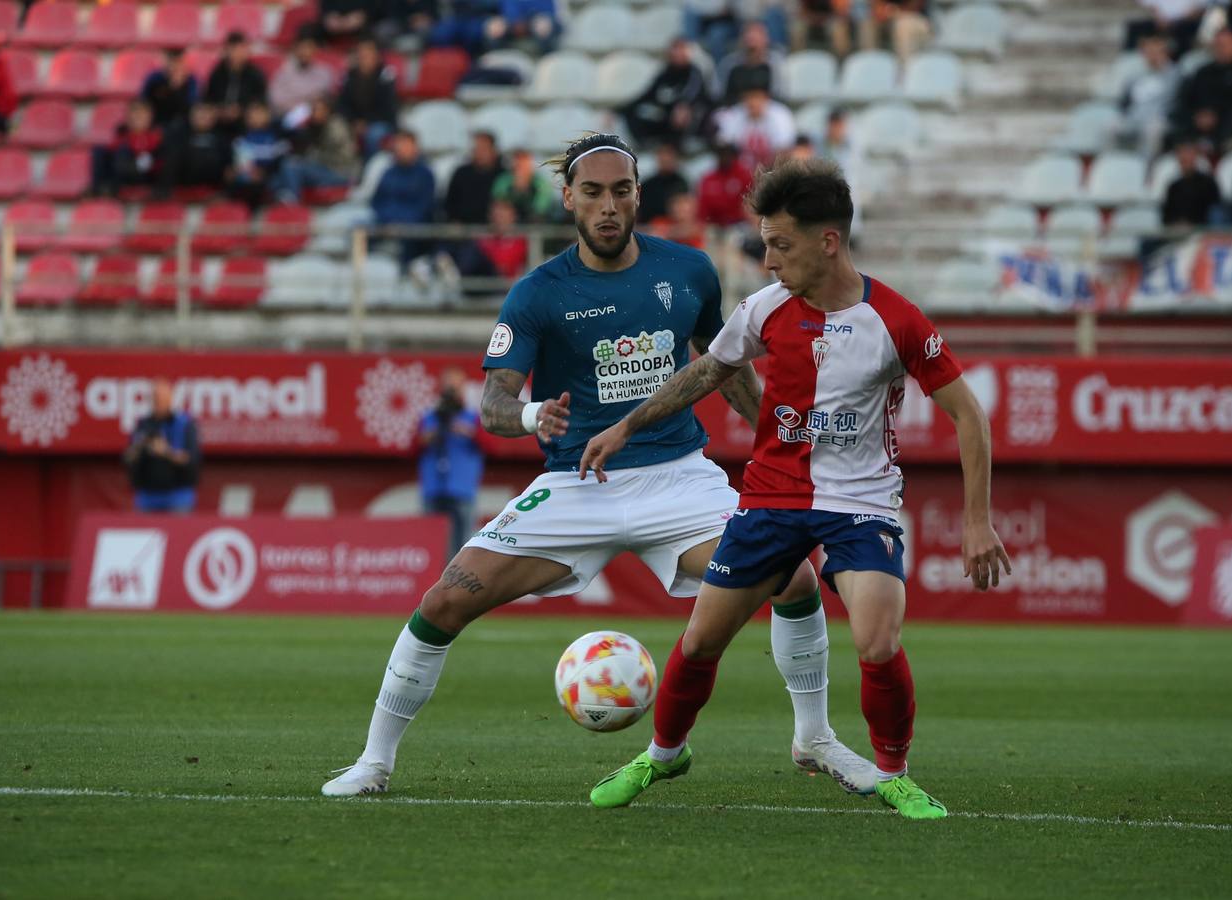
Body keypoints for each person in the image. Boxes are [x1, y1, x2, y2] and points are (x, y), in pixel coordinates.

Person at [321, 133, 875, 799]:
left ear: (638, 196)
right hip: (575, 484)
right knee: (444, 600)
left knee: (791, 575)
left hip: (677, 478)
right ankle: (374, 762)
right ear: (568, 200)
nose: (607, 206)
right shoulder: (537, 293)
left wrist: (771, 442)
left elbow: (719, 362)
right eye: (592, 193)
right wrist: (530, 417)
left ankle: (811, 736)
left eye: (620, 191)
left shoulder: (689, 271)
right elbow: (494, 401)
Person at [582, 157, 1008, 817]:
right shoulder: (763, 309)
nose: (768, 260)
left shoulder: (896, 320)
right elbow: (704, 374)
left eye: (780, 244)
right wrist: (625, 426)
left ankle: (891, 771)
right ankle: (663, 755)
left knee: (876, 640)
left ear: (826, 242)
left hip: (859, 506)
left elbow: (968, 415)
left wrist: (976, 521)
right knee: (699, 641)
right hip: (770, 501)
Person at [417, 367, 485, 561]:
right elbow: (412, 447)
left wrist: (469, 432)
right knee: (432, 546)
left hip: (462, 491)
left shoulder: (472, 418)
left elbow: (492, 445)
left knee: (463, 547)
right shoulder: (429, 417)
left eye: (455, 388)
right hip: (433, 490)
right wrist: (429, 436)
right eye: (448, 388)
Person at [124, 378, 202, 514]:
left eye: (161, 398)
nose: (158, 402)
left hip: (178, 495)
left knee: (179, 532)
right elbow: (128, 458)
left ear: (170, 399)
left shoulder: (184, 424)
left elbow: (191, 459)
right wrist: (140, 445)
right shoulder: (143, 424)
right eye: (155, 398)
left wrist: (165, 452)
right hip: (147, 495)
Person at [1169, 28, 1232, 152]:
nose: (1220, 48)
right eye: (1218, 45)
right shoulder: (1203, 72)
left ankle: (1215, 146)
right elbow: (1187, 98)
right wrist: (1196, 116)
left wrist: (1215, 115)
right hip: (1198, 121)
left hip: (1225, 122)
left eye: (1225, 45)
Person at [371, 129, 440, 278]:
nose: (402, 149)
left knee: (413, 237)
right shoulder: (388, 173)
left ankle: (405, 275)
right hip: (386, 224)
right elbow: (377, 202)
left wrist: (401, 224)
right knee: (360, 229)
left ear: (415, 148)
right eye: (399, 145)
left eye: (406, 145)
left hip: (413, 228)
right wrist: (388, 221)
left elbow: (425, 207)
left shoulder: (425, 175)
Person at [622, 38, 713, 150]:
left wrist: (685, 105)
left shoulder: (694, 73)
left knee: (682, 114)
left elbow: (694, 94)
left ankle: (682, 146)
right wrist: (618, 111)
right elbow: (646, 95)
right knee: (634, 113)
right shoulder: (665, 73)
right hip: (666, 116)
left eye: (682, 49)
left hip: (688, 117)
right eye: (675, 49)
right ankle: (647, 144)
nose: (678, 53)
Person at [273, 94, 360, 204]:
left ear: (329, 110)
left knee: (291, 165)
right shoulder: (314, 126)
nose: (316, 113)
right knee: (278, 179)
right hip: (324, 169)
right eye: (314, 110)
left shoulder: (336, 127)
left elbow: (346, 157)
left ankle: (293, 203)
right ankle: (284, 201)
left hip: (341, 173)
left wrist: (313, 156)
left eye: (320, 110)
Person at [338, 36, 399, 159]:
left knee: (373, 135)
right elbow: (342, 105)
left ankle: (369, 170)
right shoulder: (350, 76)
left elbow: (388, 109)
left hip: (381, 122)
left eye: (368, 52)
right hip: (354, 122)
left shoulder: (386, 76)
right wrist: (354, 121)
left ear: (377, 56)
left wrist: (367, 123)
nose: (364, 56)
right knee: (336, 128)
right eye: (361, 53)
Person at [1119, 34, 1179, 157]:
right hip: (1135, 116)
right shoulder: (1136, 74)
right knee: (1112, 127)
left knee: (1152, 130)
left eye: (1156, 52)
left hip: (1160, 119)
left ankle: (1146, 166)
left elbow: (1175, 102)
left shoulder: (1174, 75)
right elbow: (1126, 100)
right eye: (1149, 52)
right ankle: (1116, 165)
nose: (1152, 56)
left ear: (1164, 53)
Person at [713, 85, 797, 171]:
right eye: (748, 98)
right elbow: (723, 145)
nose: (752, 102)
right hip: (742, 173)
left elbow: (784, 149)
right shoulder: (735, 115)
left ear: (765, 98)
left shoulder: (780, 114)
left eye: (756, 97)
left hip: (772, 171)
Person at [91, 100, 163, 197]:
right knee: (100, 151)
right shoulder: (122, 136)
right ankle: (98, 189)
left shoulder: (156, 136)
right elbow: (110, 152)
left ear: (150, 117)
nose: (137, 118)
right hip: (122, 174)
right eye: (134, 114)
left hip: (146, 176)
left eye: (141, 114)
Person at [157, 101, 231, 196]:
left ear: (214, 117)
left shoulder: (222, 139)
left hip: (213, 192)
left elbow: (228, 169)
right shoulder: (178, 135)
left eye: (206, 113)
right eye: (199, 112)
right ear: (191, 115)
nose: (202, 117)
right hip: (180, 191)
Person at [205, 32, 269, 139]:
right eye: (233, 49)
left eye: (241, 49)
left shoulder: (255, 74)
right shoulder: (217, 73)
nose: (237, 54)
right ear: (226, 50)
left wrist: (241, 109)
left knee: (257, 117)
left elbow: (260, 99)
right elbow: (209, 97)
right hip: (219, 119)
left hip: (244, 119)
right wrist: (219, 110)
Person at [230, 100, 291, 208]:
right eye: (252, 114)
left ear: (268, 115)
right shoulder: (241, 139)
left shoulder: (277, 137)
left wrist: (264, 172)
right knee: (242, 179)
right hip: (249, 177)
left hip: (271, 176)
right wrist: (250, 171)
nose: (256, 117)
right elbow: (242, 162)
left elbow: (281, 160)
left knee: (281, 180)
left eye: (260, 113)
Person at [716, 19, 787, 104]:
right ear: (741, 40)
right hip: (736, 109)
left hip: (769, 108)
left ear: (766, 40)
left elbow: (779, 94)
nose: (751, 40)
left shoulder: (776, 62)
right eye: (748, 37)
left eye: (756, 37)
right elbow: (719, 94)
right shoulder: (729, 64)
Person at [270, 30, 336, 120]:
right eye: (301, 47)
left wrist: (301, 101)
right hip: (288, 117)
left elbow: (325, 98)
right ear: (295, 49)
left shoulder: (324, 73)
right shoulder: (284, 73)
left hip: (318, 118)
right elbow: (276, 101)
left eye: (309, 47)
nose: (304, 52)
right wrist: (304, 103)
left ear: (315, 49)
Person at [445, 130, 504, 226]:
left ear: (493, 150)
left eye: (484, 149)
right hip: (464, 232)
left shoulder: (503, 176)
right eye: (476, 149)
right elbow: (450, 204)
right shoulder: (461, 173)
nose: (479, 153)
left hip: (494, 232)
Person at [1161, 140, 1220, 227]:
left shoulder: (1208, 183)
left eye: (1189, 155)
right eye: (1182, 156)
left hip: (1202, 230)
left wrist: (1192, 224)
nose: (1185, 158)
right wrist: (1177, 224)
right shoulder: (1174, 186)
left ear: (1195, 157)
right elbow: (1166, 216)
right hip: (1177, 231)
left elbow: (1214, 211)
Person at [491, 147, 557, 223]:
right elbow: (498, 205)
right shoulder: (503, 181)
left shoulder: (541, 184)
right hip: (508, 224)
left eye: (524, 164)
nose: (520, 169)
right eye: (518, 164)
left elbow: (541, 209)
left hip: (534, 223)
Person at [697, 143, 753, 227]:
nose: (725, 157)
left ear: (734, 156)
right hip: (714, 225)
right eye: (721, 154)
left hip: (740, 223)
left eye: (728, 154)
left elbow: (750, 204)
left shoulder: (745, 176)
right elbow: (703, 207)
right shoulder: (708, 179)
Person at [141, 48, 198, 129]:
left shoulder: (191, 80)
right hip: (156, 122)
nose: (174, 67)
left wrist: (177, 89)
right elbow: (145, 101)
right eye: (171, 62)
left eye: (177, 62)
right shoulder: (154, 78)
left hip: (182, 124)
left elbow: (191, 108)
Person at [638, 141, 691, 225]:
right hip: (650, 228)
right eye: (662, 154)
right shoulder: (647, 185)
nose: (665, 158)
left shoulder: (682, 182)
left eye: (669, 154)